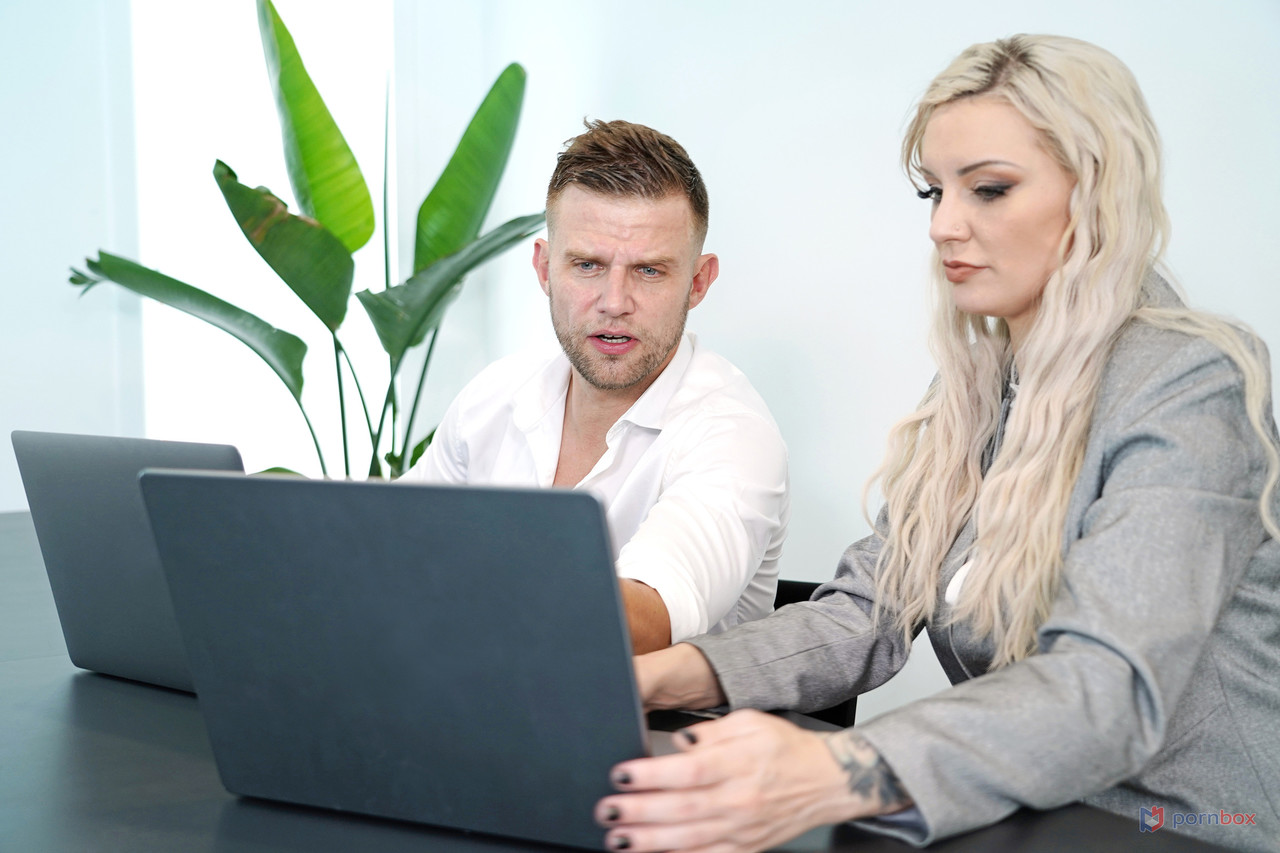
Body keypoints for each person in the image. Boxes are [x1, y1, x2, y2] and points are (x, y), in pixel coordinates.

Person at [593, 35, 1280, 853]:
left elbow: (1106, 687)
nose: (945, 225)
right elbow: (866, 613)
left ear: (1099, 191)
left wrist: (837, 768)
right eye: (934, 191)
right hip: (1031, 807)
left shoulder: (1189, 382)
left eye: (989, 189)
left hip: (1184, 824)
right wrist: (659, 675)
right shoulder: (974, 393)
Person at [403, 120, 789, 655]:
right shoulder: (493, 396)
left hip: (642, 712)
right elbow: (391, 548)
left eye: (649, 271)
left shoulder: (733, 435)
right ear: (544, 269)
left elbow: (647, 621)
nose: (614, 302)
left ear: (698, 282)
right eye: (587, 265)